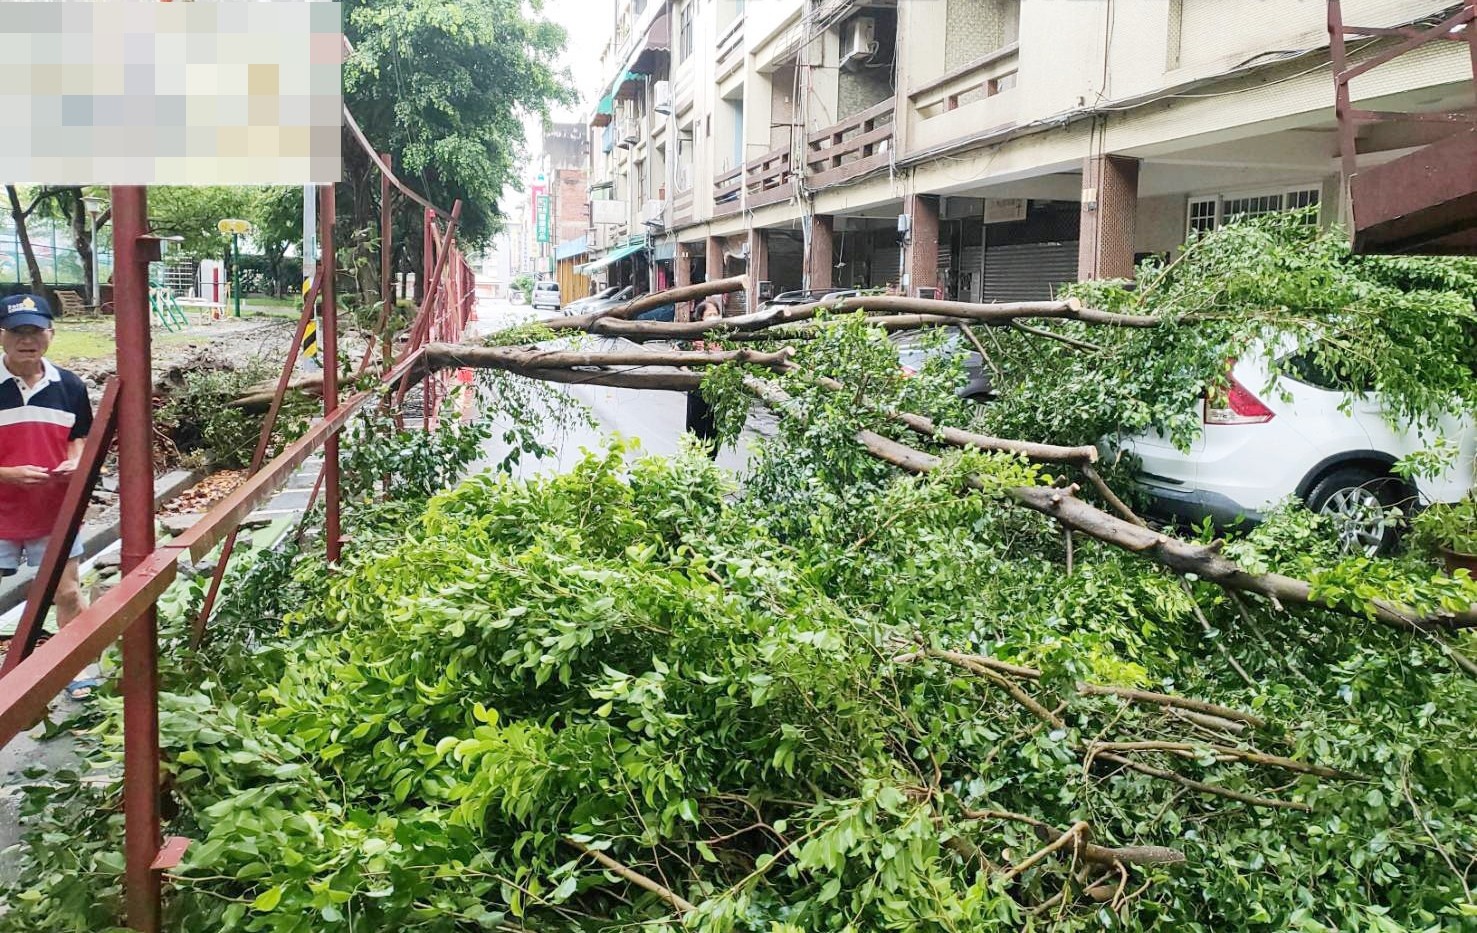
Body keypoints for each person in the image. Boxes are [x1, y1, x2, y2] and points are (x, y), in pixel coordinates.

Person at [0, 294, 97, 698]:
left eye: (36, 331)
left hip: (55, 510)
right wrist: (7, 474)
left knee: (68, 591)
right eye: (18, 331)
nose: (28, 340)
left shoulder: (70, 386)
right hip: (2, 515)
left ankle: (81, 668)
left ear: (51, 335)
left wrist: (76, 461)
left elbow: (81, 437)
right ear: (2, 336)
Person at [684, 296, 723, 457]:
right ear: (701, 318)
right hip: (697, 391)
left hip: (719, 392)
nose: (714, 318)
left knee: (714, 432)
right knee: (695, 432)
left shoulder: (725, 337)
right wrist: (688, 373)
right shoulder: (693, 337)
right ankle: (693, 469)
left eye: (716, 314)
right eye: (710, 315)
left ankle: (709, 468)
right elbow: (675, 355)